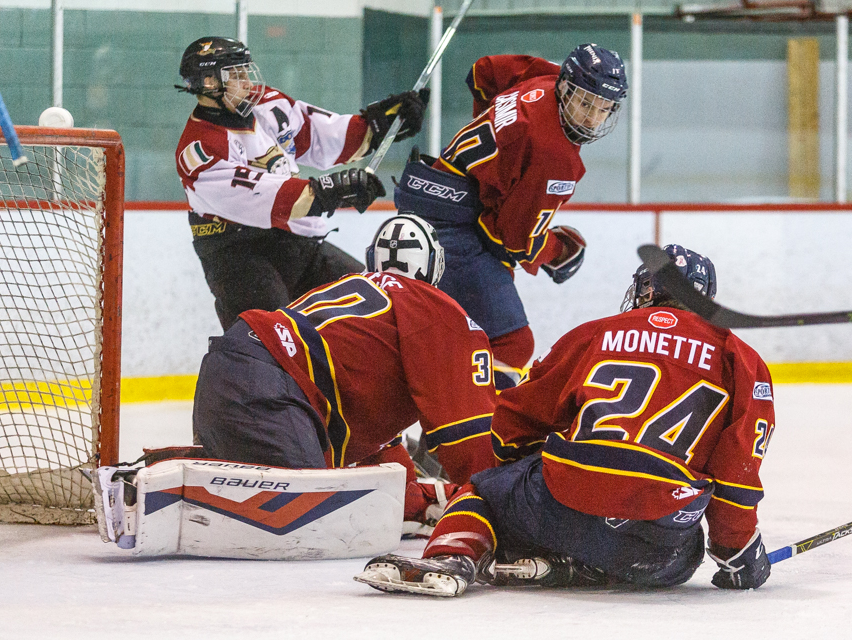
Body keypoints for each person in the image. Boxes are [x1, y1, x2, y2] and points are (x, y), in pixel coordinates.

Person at [356, 245, 776, 595]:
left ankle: (453, 555)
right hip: (652, 541)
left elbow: (515, 421)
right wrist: (740, 554)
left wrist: (516, 471)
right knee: (685, 556)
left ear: (644, 291)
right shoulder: (742, 361)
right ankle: (576, 570)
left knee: (482, 490)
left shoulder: (595, 333)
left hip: (563, 500)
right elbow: (736, 474)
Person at [192, 214, 497, 529]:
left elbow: (383, 457)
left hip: (224, 368)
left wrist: (423, 500)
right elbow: (470, 437)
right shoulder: (438, 312)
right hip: (274, 395)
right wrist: (494, 504)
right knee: (318, 520)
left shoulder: (354, 298)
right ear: (436, 265)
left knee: (238, 482)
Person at [393, 44, 627, 389]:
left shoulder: (543, 77)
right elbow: (516, 241)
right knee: (512, 344)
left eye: (603, 108)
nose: (591, 118)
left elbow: (483, 72)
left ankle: (443, 430)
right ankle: (471, 437)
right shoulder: (556, 156)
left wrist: (499, 158)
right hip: (451, 229)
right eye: (584, 102)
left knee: (461, 334)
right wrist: (559, 253)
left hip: (430, 191)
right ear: (565, 87)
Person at [174, 36, 429, 331]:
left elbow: (317, 133)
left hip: (297, 243)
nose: (247, 82)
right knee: (269, 339)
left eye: (246, 71)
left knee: (373, 311)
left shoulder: (267, 104)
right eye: (237, 75)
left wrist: (378, 126)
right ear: (208, 83)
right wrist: (324, 192)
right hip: (239, 255)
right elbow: (258, 198)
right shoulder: (198, 149)